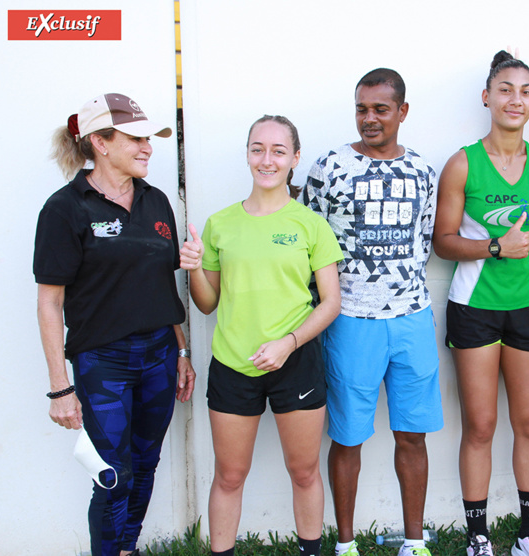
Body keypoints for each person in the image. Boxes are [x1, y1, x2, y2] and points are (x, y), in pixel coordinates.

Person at [34, 93, 195, 556]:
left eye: (149, 139)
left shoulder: (155, 200)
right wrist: (60, 388)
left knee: (145, 464)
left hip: (160, 355)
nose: (148, 147)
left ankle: (125, 549)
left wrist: (181, 350)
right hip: (103, 361)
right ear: (101, 143)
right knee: (112, 474)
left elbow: (163, 284)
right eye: (137, 138)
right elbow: (49, 302)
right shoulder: (66, 208)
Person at [180, 115, 342, 556]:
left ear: (294, 158)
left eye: (277, 151)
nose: (266, 160)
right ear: (247, 154)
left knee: (305, 471)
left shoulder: (311, 225)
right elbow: (208, 303)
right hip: (234, 365)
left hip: (297, 363)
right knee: (229, 476)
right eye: (257, 149)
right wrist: (194, 269)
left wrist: (288, 343)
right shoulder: (220, 224)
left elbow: (331, 302)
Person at [433, 51, 529, 556]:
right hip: (474, 307)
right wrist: (493, 247)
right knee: (482, 426)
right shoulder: (462, 163)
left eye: (526, 91)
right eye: (506, 89)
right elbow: (442, 240)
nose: (516, 99)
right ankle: (478, 538)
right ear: (487, 97)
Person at [303, 68, 443, 556]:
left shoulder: (424, 171)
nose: (370, 119)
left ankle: (414, 542)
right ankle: (345, 544)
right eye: (362, 108)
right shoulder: (329, 167)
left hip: (411, 317)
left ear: (402, 112)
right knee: (347, 437)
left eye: (381, 109)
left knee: (413, 435)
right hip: (349, 322)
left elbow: (423, 239)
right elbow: (311, 241)